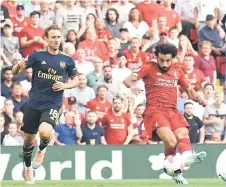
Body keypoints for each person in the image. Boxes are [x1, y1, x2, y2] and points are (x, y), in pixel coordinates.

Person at [123, 43, 207, 184]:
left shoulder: (178, 70)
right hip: (155, 111)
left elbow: (189, 91)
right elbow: (127, 80)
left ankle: (183, 163)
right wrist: (132, 85)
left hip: (172, 110)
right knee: (171, 141)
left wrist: (199, 98)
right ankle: (183, 163)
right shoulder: (149, 67)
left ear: (173, 58)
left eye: (168, 60)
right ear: (157, 57)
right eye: (161, 60)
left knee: (182, 134)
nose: (164, 63)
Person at [12, 24, 78, 184]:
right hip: (33, 104)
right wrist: (19, 66)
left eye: (58, 37)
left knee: (44, 131)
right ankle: (27, 170)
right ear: (46, 39)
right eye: (53, 37)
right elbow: (15, 72)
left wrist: (65, 85)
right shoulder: (36, 55)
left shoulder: (67, 60)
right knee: (28, 141)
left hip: (53, 103)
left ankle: (41, 149)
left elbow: (76, 79)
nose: (56, 40)